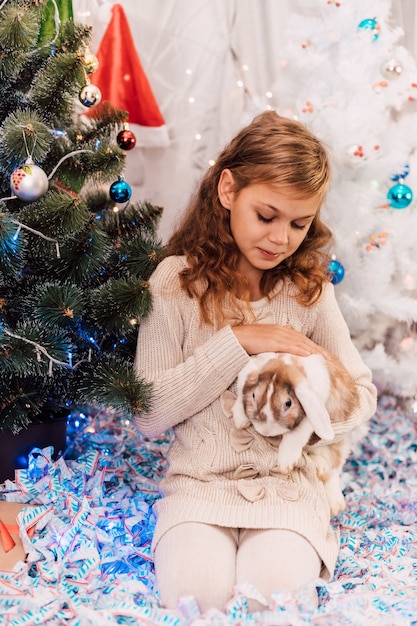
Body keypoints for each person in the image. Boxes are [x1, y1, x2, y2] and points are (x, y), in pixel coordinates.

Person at [133, 111, 377, 613]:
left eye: (298, 223)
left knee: (274, 601)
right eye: (267, 216)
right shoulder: (174, 282)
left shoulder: (309, 290)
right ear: (227, 189)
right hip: (199, 487)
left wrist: (315, 388)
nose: (281, 238)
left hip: (287, 489)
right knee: (196, 598)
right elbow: (148, 415)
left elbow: (361, 396)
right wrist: (238, 341)